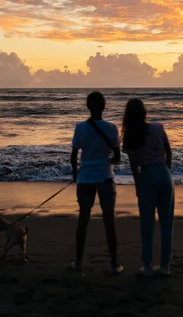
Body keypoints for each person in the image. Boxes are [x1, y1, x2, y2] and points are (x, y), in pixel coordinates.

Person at [70, 91, 124, 274]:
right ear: (104, 106)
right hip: (105, 178)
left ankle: (78, 262)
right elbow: (117, 157)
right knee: (109, 222)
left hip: (85, 179)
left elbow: (73, 155)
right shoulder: (111, 128)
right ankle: (114, 264)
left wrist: (75, 174)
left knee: (83, 221)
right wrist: (106, 159)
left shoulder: (80, 128)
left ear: (87, 106)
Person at [122, 98, 174, 277]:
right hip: (164, 174)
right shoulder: (158, 127)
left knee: (147, 224)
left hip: (146, 176)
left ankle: (148, 266)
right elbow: (168, 151)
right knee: (167, 223)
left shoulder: (130, 136)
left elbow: (134, 167)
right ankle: (166, 266)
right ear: (144, 113)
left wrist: (138, 187)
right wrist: (167, 170)